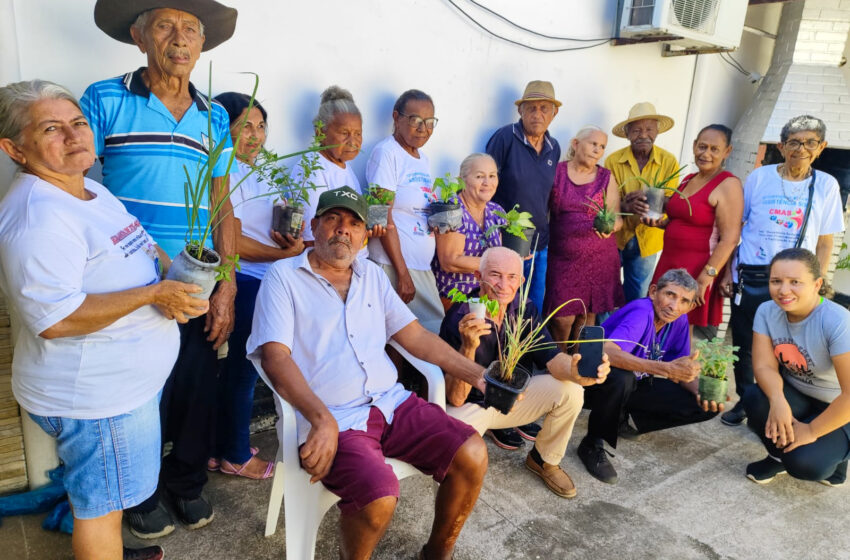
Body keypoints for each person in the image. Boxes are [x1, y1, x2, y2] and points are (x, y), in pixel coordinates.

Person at [0, 80, 206, 560]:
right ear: (14, 148)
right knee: (100, 509)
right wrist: (153, 292)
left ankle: (108, 547)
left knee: (102, 498)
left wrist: (172, 271)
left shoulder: (86, 186)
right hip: (96, 399)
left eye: (78, 123)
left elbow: (134, 241)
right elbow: (55, 319)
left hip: (117, 390)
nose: (74, 137)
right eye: (52, 128)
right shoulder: (39, 217)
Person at [246, 186, 488, 560]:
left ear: (364, 235)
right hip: (333, 416)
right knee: (378, 497)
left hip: (390, 402)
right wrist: (321, 419)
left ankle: (438, 552)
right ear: (314, 225)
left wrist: (477, 374)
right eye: (333, 219)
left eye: (354, 223)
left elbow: (416, 337)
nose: (343, 230)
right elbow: (275, 357)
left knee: (471, 452)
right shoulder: (283, 277)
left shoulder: (372, 275)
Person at [81, 0, 239, 537]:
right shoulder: (103, 98)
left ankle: (187, 482)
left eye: (191, 29)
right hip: (129, 281)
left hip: (196, 277)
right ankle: (139, 493)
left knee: (197, 384)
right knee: (139, 394)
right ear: (138, 35)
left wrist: (229, 283)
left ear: (202, 44)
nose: (180, 38)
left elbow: (223, 203)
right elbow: (77, 184)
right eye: (166, 26)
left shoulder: (214, 115)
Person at [440, 247, 610, 498]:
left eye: (512, 277)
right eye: (495, 275)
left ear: (521, 281)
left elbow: (552, 359)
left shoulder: (523, 309)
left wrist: (576, 371)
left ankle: (544, 460)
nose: (503, 285)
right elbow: (454, 398)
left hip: (513, 401)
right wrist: (468, 346)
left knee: (572, 390)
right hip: (472, 406)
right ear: (478, 276)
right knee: (448, 461)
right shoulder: (461, 316)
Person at [720, 115, 845, 427]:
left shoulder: (827, 185)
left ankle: (779, 402)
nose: (801, 149)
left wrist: (820, 282)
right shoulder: (760, 177)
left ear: (821, 147)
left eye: (809, 143)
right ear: (781, 146)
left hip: (797, 284)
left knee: (788, 346)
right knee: (746, 344)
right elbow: (737, 227)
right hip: (753, 276)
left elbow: (826, 242)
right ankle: (747, 401)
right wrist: (727, 273)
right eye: (793, 142)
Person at [208, 92, 305, 480]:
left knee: (238, 368)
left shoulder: (260, 168)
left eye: (261, 126)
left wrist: (293, 241)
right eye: (245, 126)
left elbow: (275, 217)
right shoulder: (221, 170)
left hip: (266, 276)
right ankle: (234, 454)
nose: (255, 135)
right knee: (248, 367)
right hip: (243, 278)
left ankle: (221, 448)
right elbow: (228, 235)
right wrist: (281, 255)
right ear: (223, 128)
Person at [576, 269, 724, 485]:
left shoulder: (679, 320)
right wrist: (665, 369)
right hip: (592, 383)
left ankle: (620, 418)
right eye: (670, 295)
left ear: (691, 306)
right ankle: (592, 443)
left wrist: (702, 391)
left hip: (634, 384)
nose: (674, 306)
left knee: (702, 403)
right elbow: (607, 353)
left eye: (684, 301)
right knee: (622, 377)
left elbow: (678, 368)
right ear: (654, 291)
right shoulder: (642, 312)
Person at [742, 248, 850, 486]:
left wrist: (811, 431)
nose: (783, 290)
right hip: (797, 395)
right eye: (776, 281)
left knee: (805, 464)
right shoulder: (767, 311)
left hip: (839, 407)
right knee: (755, 396)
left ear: (816, 284)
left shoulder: (837, 321)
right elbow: (763, 366)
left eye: (795, 282)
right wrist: (778, 400)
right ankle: (777, 457)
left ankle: (840, 458)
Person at [651, 124, 743, 340]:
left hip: (697, 268)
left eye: (714, 149)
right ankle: (653, 371)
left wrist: (703, 280)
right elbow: (681, 221)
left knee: (681, 329)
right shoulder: (688, 179)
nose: (706, 154)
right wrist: (657, 222)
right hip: (669, 262)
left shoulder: (728, 184)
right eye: (702, 147)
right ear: (694, 146)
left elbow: (730, 238)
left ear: (727, 152)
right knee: (659, 323)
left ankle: (682, 373)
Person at [367, 89, 444, 332]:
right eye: (415, 120)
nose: (423, 128)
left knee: (420, 333)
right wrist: (401, 274)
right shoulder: (386, 153)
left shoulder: (423, 158)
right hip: (394, 266)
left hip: (419, 265)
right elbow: (380, 213)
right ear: (396, 117)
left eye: (429, 122)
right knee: (398, 335)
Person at [486, 80, 561, 313]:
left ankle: (527, 350)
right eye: (531, 108)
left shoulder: (554, 147)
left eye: (544, 108)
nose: (537, 114)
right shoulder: (504, 138)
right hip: (510, 242)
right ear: (520, 110)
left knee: (533, 306)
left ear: (554, 113)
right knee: (508, 304)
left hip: (541, 242)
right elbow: (486, 185)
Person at [546, 125, 624, 347]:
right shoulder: (556, 172)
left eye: (602, 147)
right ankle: (558, 361)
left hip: (598, 258)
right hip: (563, 257)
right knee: (562, 317)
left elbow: (616, 216)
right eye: (593, 144)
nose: (597, 150)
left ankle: (577, 365)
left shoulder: (606, 177)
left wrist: (611, 226)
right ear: (575, 144)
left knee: (586, 317)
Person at [605, 102, 680, 302]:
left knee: (637, 294)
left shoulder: (669, 161)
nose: (643, 135)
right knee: (606, 290)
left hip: (649, 236)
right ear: (628, 133)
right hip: (616, 236)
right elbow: (606, 200)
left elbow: (672, 201)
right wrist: (626, 206)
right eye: (637, 130)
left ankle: (630, 333)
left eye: (649, 129)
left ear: (657, 132)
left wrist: (653, 200)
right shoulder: (613, 161)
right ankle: (604, 332)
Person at [292, 85, 380, 253]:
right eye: (344, 133)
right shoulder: (310, 170)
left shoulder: (345, 168)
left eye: (358, 133)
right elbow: (312, 238)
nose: (353, 142)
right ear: (320, 132)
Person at [432, 153, 506, 307]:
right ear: (462, 180)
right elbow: (449, 261)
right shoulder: (450, 209)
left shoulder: (496, 211)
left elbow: (502, 253)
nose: (487, 182)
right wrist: (497, 263)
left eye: (492, 176)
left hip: (488, 299)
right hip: (454, 301)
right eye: (479, 176)